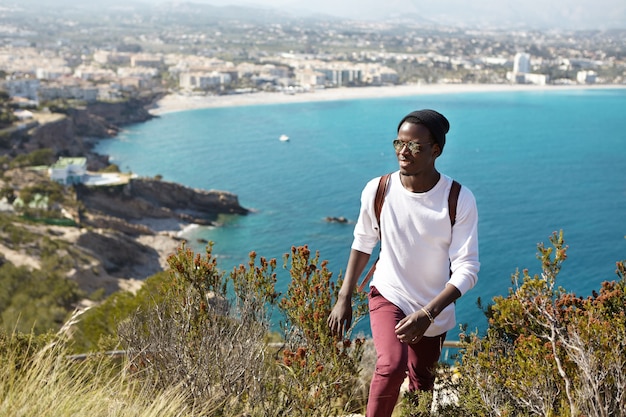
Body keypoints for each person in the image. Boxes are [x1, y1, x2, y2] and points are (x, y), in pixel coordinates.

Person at [327, 109, 480, 417]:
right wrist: (344, 297)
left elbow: (468, 267)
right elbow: (363, 242)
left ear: (436, 150)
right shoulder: (378, 189)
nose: (403, 152)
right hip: (389, 291)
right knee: (391, 365)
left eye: (415, 146)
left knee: (422, 385)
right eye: (399, 143)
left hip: (433, 307)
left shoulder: (458, 198)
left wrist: (428, 313)